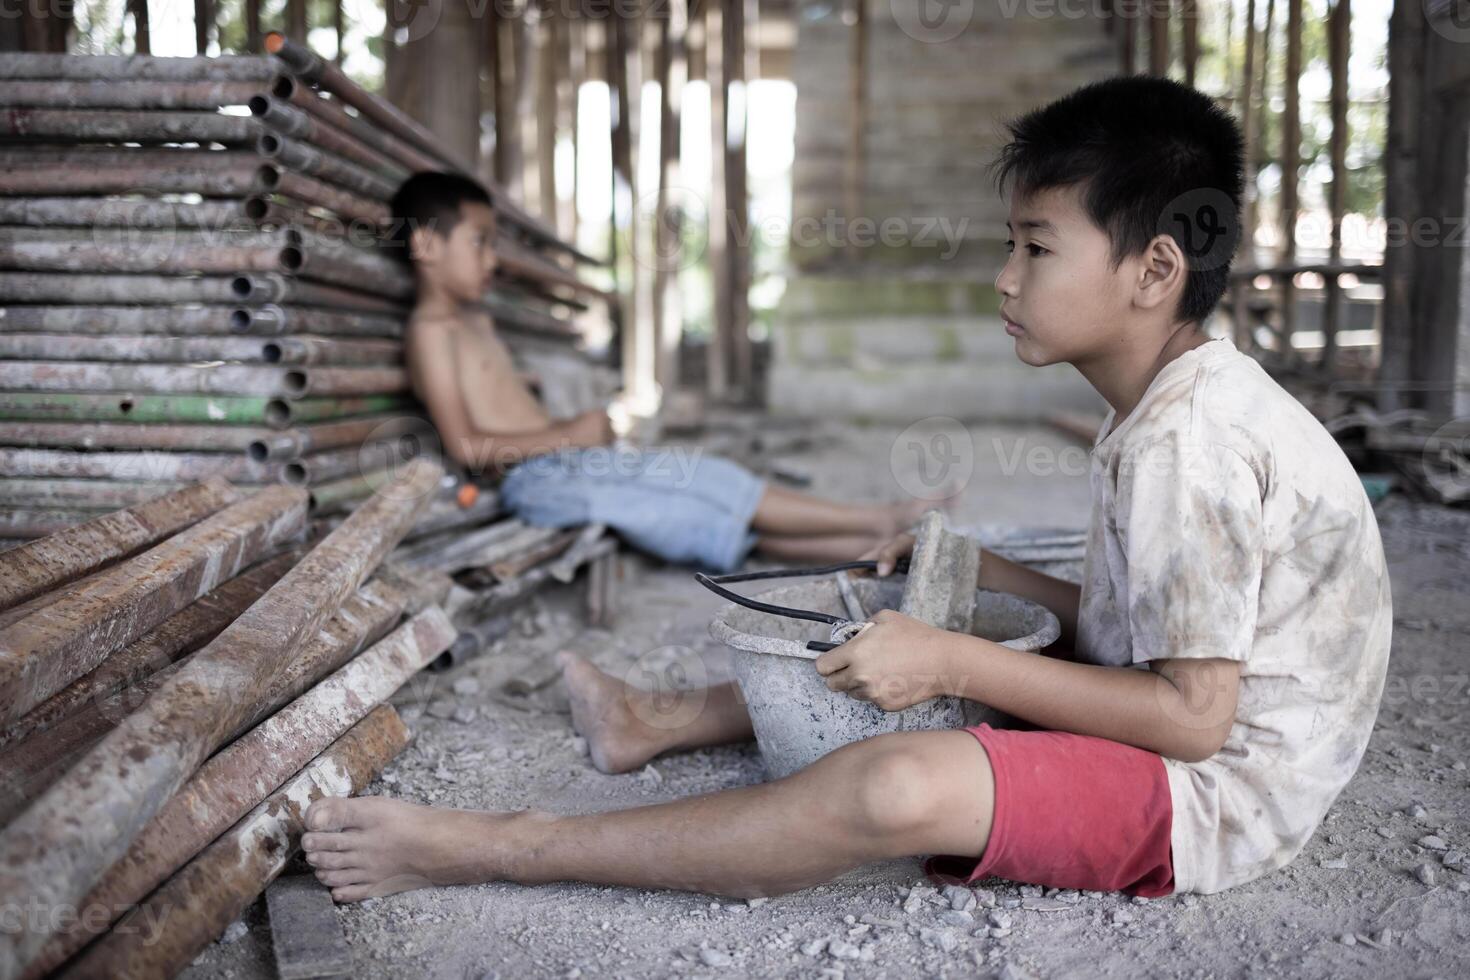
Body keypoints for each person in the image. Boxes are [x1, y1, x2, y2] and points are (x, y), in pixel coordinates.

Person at [303, 76, 1391, 902]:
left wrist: (956, 654)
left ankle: (484, 844)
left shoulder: (1185, 440)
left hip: (1215, 797)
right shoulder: (1164, 403)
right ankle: (654, 720)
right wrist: (958, 580)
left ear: (1154, 270)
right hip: (1185, 732)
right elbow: (1131, 632)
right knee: (920, 607)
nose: (1006, 278)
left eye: (1035, 247)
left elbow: (1194, 721)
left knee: (892, 785)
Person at [388, 171, 929, 572]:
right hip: (536, 481)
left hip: (571, 464)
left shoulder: (471, 322)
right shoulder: (431, 331)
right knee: (693, 502)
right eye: (480, 241)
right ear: (427, 244)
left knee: (705, 491)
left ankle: (882, 544)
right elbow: (466, 447)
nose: (492, 260)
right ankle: (880, 522)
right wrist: (569, 433)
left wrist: (572, 431)